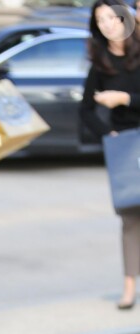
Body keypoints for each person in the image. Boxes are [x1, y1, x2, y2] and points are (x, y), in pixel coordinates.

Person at [80, 0, 140, 310]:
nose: (107, 24)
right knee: (130, 219)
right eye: (100, 20)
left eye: (112, 17)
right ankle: (129, 287)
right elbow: (85, 110)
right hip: (126, 147)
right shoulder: (100, 63)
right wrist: (107, 134)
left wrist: (124, 98)